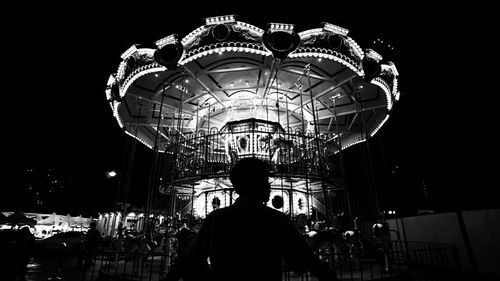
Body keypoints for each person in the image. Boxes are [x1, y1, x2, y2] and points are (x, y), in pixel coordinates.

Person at [164, 157, 339, 281]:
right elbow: (307, 261)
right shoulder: (277, 220)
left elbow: (187, 260)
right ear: (256, 184)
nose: (269, 186)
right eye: (265, 180)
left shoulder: (216, 218)